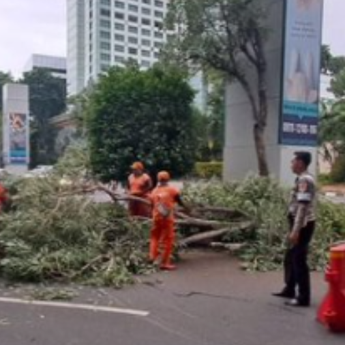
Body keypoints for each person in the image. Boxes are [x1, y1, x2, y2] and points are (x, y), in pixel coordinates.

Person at [273, 151, 316, 307]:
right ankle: (290, 288)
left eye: (293, 161)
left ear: (300, 163)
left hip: (303, 224)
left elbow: (302, 208)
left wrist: (296, 230)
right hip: (298, 223)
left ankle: (303, 297)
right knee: (291, 256)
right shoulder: (301, 178)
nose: (291, 163)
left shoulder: (305, 180)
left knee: (298, 259)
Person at [149, 171, 188, 270]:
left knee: (154, 237)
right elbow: (180, 202)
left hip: (155, 217)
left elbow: (151, 204)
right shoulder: (172, 190)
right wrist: (188, 208)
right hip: (167, 218)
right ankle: (165, 263)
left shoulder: (154, 191)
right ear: (168, 179)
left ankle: (152, 257)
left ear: (158, 179)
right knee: (168, 240)